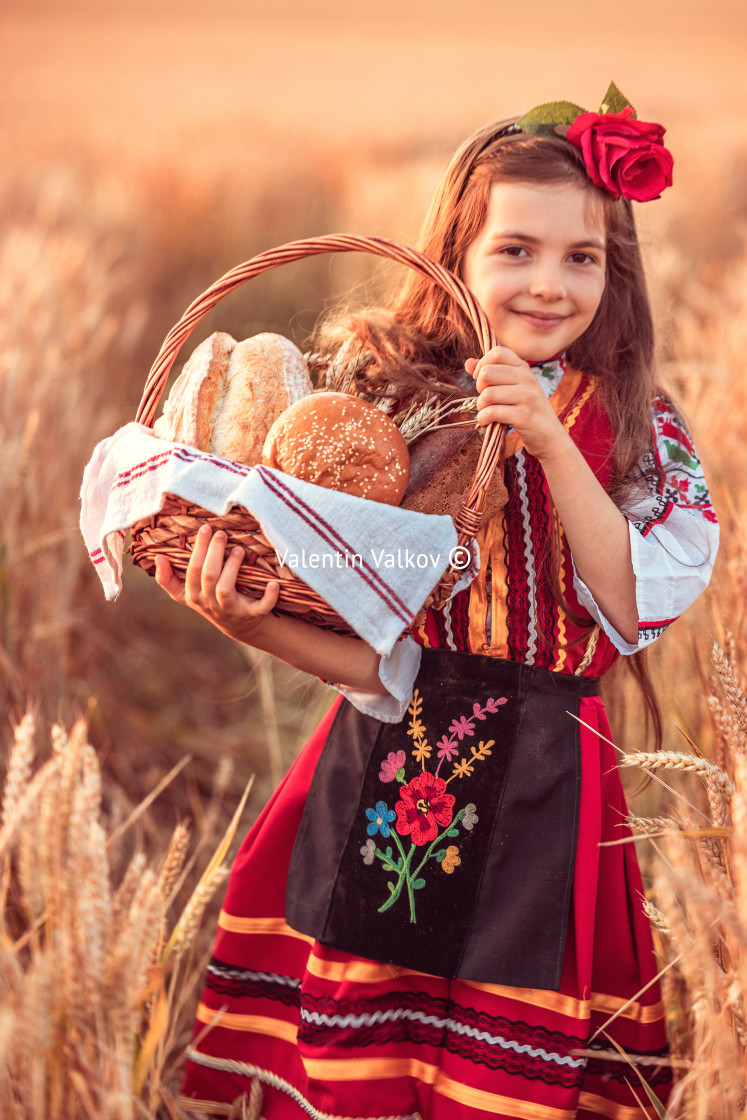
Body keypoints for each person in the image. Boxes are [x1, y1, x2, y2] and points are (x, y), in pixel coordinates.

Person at [158, 90, 719, 1119]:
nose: (548, 284)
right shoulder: (397, 407)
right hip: (392, 774)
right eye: (516, 250)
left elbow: (636, 606)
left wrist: (551, 440)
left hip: (552, 802)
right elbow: (390, 667)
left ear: (614, 270)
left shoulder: (636, 425)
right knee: (365, 1072)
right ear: (456, 254)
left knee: (510, 1086)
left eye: (581, 257)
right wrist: (254, 622)